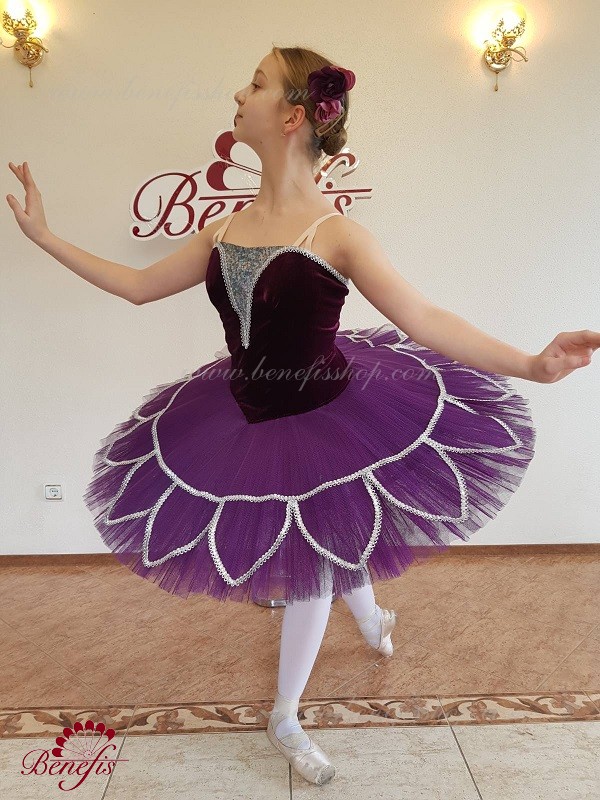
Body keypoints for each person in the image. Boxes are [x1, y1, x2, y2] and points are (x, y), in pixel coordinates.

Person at [7, 44, 599, 788]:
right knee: (331, 536)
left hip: (329, 413)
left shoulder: (336, 233)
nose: (238, 93)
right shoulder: (225, 229)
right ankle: (374, 619)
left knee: (314, 562)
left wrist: (533, 365)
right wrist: (44, 237)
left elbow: (424, 318)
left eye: (254, 83)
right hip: (245, 416)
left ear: (292, 116)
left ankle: (284, 715)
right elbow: (135, 284)